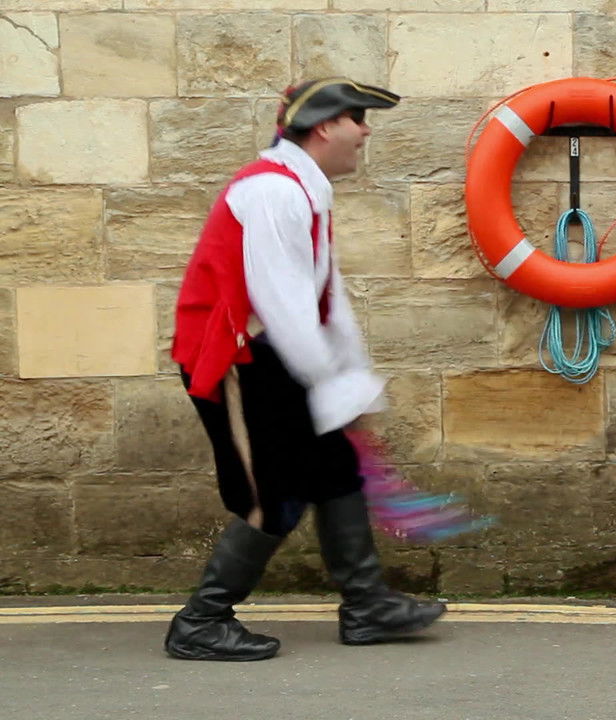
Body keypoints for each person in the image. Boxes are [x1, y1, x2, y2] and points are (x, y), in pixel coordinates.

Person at [167, 77, 443, 661]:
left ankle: (367, 606)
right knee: (274, 491)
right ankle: (201, 620)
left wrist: (352, 379)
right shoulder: (273, 192)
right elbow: (284, 304)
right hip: (240, 356)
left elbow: (326, 297)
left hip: (276, 352)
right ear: (324, 126)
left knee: (336, 469)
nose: (366, 131)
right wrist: (332, 384)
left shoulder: (302, 188)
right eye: (358, 119)